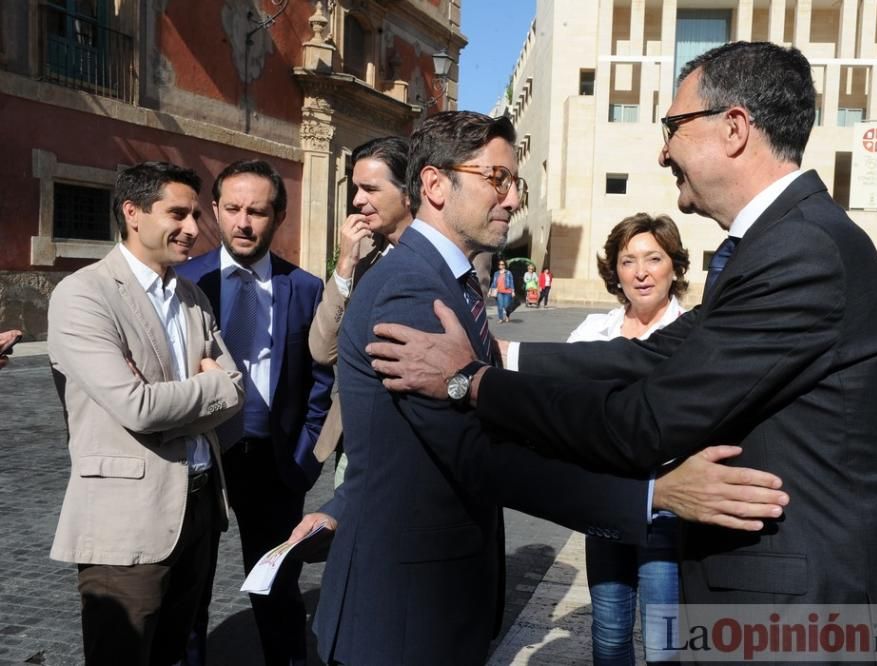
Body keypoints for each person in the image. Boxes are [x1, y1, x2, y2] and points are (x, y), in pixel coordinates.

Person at [368, 41, 877, 636]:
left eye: (673, 127)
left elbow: (644, 423)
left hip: (799, 613)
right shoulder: (784, 242)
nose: (661, 152)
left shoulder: (799, 251)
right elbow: (652, 354)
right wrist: (505, 355)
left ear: (734, 128)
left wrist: (473, 381)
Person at [290, 111, 788, 665]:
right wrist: (654, 496)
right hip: (405, 612)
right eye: (496, 179)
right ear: (434, 184)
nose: (510, 199)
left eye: (515, 183)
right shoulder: (411, 290)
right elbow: (479, 454)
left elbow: (403, 440)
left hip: (428, 598)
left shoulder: (439, 280)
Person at [47, 161, 245, 666]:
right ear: (132, 213)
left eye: (196, 214)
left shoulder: (192, 296)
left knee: (176, 652)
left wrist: (194, 393)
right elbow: (137, 408)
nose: (193, 229)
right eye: (177, 213)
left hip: (200, 509)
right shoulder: (83, 294)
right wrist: (210, 386)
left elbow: (236, 388)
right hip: (126, 521)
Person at [176, 159, 334, 666]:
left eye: (258, 211)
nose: (244, 223)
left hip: (274, 464)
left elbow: (322, 383)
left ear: (279, 216)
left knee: (277, 589)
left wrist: (306, 461)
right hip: (199, 461)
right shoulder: (183, 283)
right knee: (189, 592)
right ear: (215, 212)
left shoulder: (306, 289)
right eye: (234, 209)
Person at [572, 213, 688, 664]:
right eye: (628, 261)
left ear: (674, 267)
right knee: (610, 634)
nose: (641, 272)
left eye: (653, 258)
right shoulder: (591, 334)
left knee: (663, 646)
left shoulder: (693, 335)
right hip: (606, 503)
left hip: (669, 508)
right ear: (614, 272)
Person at [308, 136, 413, 469]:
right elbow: (322, 350)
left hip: (409, 442)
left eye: (371, 189)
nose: (358, 201)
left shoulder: (439, 257)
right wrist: (344, 266)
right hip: (355, 444)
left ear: (409, 192)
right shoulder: (365, 255)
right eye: (356, 188)